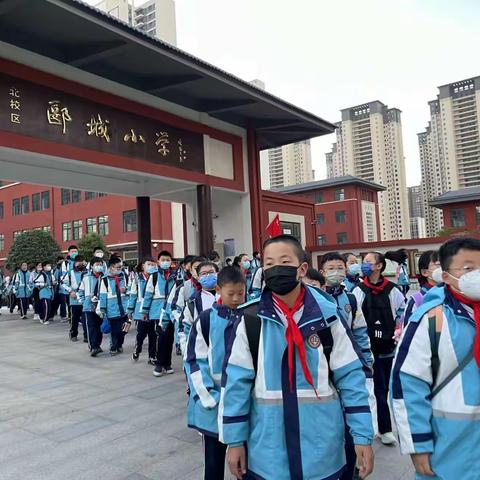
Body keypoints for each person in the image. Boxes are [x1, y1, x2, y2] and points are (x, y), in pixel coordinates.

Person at [220, 235, 374, 480]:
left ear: (302, 269)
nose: (275, 269)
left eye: (284, 261)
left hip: (323, 453)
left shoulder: (329, 317)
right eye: (269, 264)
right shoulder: (250, 320)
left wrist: (362, 435)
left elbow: (352, 378)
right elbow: (236, 384)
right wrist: (234, 440)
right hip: (267, 454)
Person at [391, 237, 480, 479]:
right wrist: (417, 444)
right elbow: (407, 382)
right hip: (449, 450)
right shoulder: (432, 318)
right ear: (447, 275)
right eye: (469, 268)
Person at [185, 266, 245, 480]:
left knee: (245, 461)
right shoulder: (206, 320)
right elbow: (194, 361)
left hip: (243, 404)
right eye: (231, 294)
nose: (237, 299)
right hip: (213, 406)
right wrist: (210, 398)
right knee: (213, 462)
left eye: (241, 293)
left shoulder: (249, 317)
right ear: (219, 290)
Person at [320, 252, 374, 480]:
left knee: (352, 416)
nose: (336, 272)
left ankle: (352, 467)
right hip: (325, 368)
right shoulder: (315, 299)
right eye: (331, 268)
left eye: (339, 268)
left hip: (350, 365)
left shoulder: (351, 299)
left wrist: (366, 362)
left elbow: (360, 332)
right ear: (322, 272)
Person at [352, 250, 406, 446]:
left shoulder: (393, 290)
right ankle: (366, 428)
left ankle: (385, 429)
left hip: (386, 347)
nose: (364, 265)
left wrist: (397, 333)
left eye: (368, 261)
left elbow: (402, 314)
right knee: (365, 389)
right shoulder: (358, 290)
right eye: (363, 261)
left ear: (379, 266)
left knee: (382, 389)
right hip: (365, 348)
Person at [142, 251, 177, 376]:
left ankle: (167, 363)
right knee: (160, 338)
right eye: (163, 259)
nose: (166, 262)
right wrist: (145, 311)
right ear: (158, 261)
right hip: (157, 311)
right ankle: (159, 364)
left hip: (171, 311)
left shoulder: (175, 276)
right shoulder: (154, 276)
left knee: (169, 338)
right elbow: (147, 294)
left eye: (168, 260)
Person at [167, 256, 206, 356]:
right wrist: (182, 321)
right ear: (191, 270)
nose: (199, 271)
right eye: (196, 268)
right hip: (190, 330)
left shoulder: (217, 287)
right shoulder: (184, 287)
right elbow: (175, 308)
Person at [178, 261, 219, 354]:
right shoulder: (193, 301)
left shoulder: (227, 296)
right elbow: (185, 326)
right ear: (198, 277)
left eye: (211, 272)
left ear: (217, 274)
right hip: (202, 348)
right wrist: (187, 351)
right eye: (203, 274)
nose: (208, 275)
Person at [98, 256, 130, 356]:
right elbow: (102, 296)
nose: (120, 269)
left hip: (124, 308)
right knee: (115, 331)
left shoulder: (123, 277)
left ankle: (120, 344)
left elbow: (131, 290)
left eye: (121, 267)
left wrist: (126, 290)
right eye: (118, 267)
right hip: (112, 310)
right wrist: (102, 309)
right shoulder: (105, 280)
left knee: (125, 329)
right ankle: (114, 346)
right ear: (111, 267)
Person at [128, 257, 158, 364]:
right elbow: (133, 296)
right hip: (141, 312)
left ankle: (152, 356)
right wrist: (130, 310)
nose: (151, 267)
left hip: (153, 311)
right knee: (141, 334)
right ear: (143, 266)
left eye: (153, 265)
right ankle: (137, 349)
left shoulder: (157, 278)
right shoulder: (137, 279)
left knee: (153, 335)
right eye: (149, 264)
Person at [401, 250, 441, 327]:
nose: (443, 269)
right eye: (438, 265)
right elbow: (407, 331)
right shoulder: (416, 300)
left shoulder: (453, 295)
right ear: (424, 272)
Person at [79, 256, 105, 357]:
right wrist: (83, 301)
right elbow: (80, 291)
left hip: (100, 307)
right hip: (89, 307)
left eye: (100, 265)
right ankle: (93, 346)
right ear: (92, 266)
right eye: (97, 265)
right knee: (91, 327)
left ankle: (98, 344)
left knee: (99, 328)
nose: (99, 266)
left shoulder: (105, 278)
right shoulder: (86, 277)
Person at [63, 255, 88, 341]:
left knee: (86, 319)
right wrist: (70, 291)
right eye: (79, 262)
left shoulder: (87, 272)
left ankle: (86, 336)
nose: (81, 263)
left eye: (83, 261)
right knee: (75, 319)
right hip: (74, 300)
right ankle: (73, 334)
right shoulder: (70, 272)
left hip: (85, 300)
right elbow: (63, 283)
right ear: (75, 262)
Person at [35, 261, 55, 325]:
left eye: (49, 265)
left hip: (50, 292)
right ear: (44, 267)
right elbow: (35, 282)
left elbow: (53, 282)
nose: (49, 267)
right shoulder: (42, 274)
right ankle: (44, 319)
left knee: (48, 306)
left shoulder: (50, 275)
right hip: (44, 292)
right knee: (46, 306)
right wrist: (43, 284)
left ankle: (43, 317)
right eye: (47, 265)